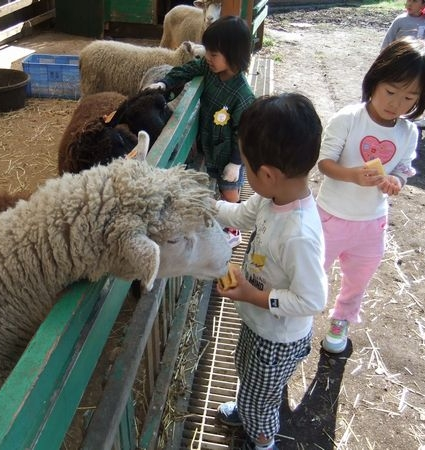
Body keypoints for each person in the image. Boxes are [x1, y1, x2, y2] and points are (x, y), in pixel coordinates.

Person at [214, 94, 327, 450]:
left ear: (267, 174)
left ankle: (262, 440)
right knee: (247, 372)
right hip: (257, 322)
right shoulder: (270, 197)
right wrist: (201, 204)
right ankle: (246, 408)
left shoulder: (299, 234)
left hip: (278, 339)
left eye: (246, 166)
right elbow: (238, 216)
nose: (245, 173)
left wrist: (253, 295)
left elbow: (312, 300)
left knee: (262, 402)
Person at [316, 37, 425, 354]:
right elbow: (325, 163)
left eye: (409, 97)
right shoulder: (348, 118)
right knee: (314, 270)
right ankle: (300, 314)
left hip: (372, 223)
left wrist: (396, 181)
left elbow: (404, 168)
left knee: (359, 278)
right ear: (375, 80)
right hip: (331, 215)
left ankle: (341, 320)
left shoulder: (408, 132)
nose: (397, 104)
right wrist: (352, 175)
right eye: (391, 91)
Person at [146, 15, 255, 248]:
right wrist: (165, 83)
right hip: (210, 145)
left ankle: (234, 230)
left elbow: (245, 133)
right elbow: (187, 70)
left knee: (229, 189)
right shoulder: (209, 69)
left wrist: (236, 163)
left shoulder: (243, 96)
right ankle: (221, 217)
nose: (207, 58)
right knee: (217, 183)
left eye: (213, 55)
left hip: (229, 154)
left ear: (233, 56)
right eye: (207, 53)